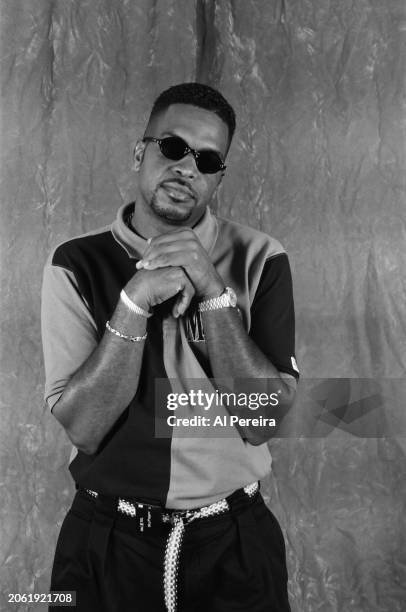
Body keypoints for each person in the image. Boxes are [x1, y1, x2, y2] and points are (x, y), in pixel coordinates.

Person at [41, 82, 299, 612]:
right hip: (106, 541)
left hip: (233, 544)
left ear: (218, 177)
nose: (187, 168)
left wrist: (213, 291)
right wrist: (132, 305)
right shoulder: (74, 262)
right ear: (142, 149)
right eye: (173, 147)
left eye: (207, 160)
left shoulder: (261, 257)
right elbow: (85, 429)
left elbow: (263, 420)